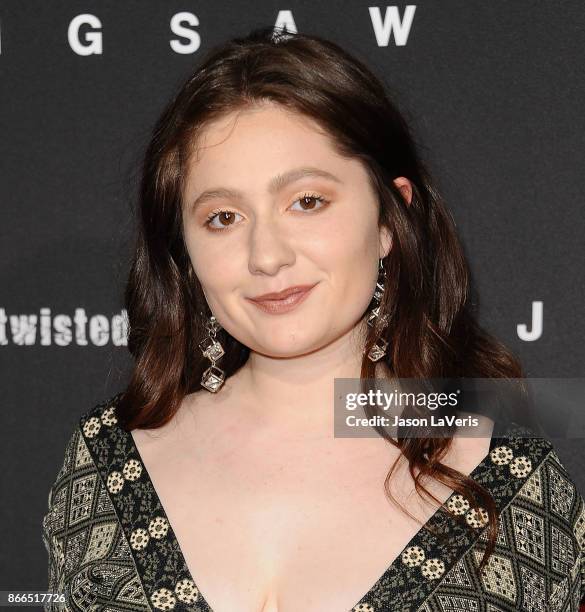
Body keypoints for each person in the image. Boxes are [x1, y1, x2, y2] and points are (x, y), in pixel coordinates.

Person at [42, 26, 585, 612]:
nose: (266, 256)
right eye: (223, 217)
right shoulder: (106, 461)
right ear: (186, 252)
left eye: (307, 202)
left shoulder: (509, 487)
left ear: (388, 219)